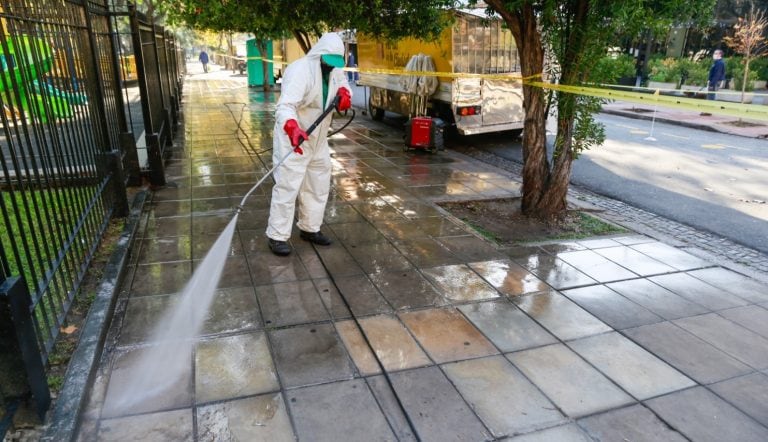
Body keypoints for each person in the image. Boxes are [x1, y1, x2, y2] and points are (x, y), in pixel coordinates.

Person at [266, 32, 352, 256]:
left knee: (318, 183)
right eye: (329, 62)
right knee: (288, 185)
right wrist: (293, 128)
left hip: (318, 139)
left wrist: (345, 93)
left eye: (336, 64)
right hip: (294, 138)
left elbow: (342, 83)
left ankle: (310, 228)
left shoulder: (335, 69)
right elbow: (285, 106)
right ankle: (277, 235)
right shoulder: (300, 70)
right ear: (319, 54)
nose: (332, 68)